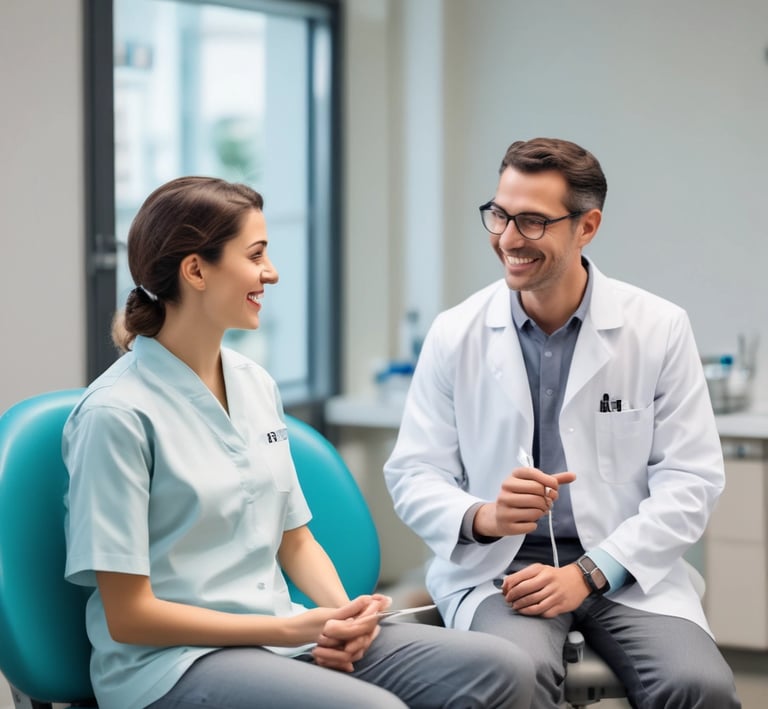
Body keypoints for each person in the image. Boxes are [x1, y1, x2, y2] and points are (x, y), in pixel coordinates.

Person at [63, 176, 535, 709]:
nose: (272, 272)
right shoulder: (116, 414)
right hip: (171, 665)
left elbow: (296, 541)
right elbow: (130, 616)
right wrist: (288, 631)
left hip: (281, 637)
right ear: (196, 270)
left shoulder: (253, 383)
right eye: (256, 254)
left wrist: (345, 618)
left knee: (503, 669)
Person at [384, 138, 741, 708]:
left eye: (531, 221)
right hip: (503, 571)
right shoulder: (457, 333)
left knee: (699, 686)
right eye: (498, 215)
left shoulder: (658, 328)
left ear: (587, 226)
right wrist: (484, 515)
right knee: (512, 676)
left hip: (624, 565)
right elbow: (413, 472)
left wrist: (591, 571)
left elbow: (692, 480)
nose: (506, 239)